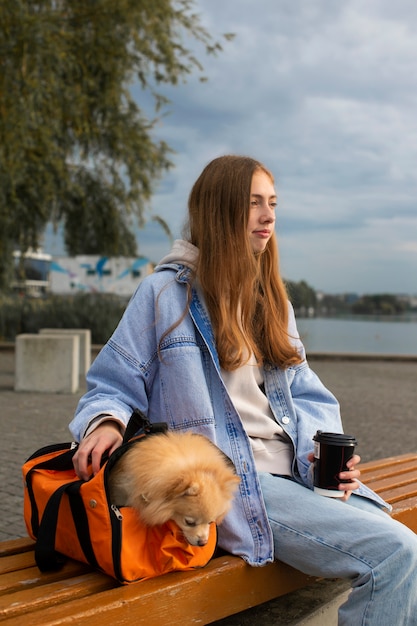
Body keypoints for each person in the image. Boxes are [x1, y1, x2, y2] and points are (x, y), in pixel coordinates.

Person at [70, 155, 417, 625]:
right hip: (236, 486)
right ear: (218, 211)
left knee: (408, 549)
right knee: (394, 553)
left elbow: (308, 393)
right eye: (254, 203)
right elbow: (112, 382)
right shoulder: (163, 295)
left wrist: (321, 453)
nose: (269, 216)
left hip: (294, 474)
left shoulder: (269, 299)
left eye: (272, 203)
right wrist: (106, 422)